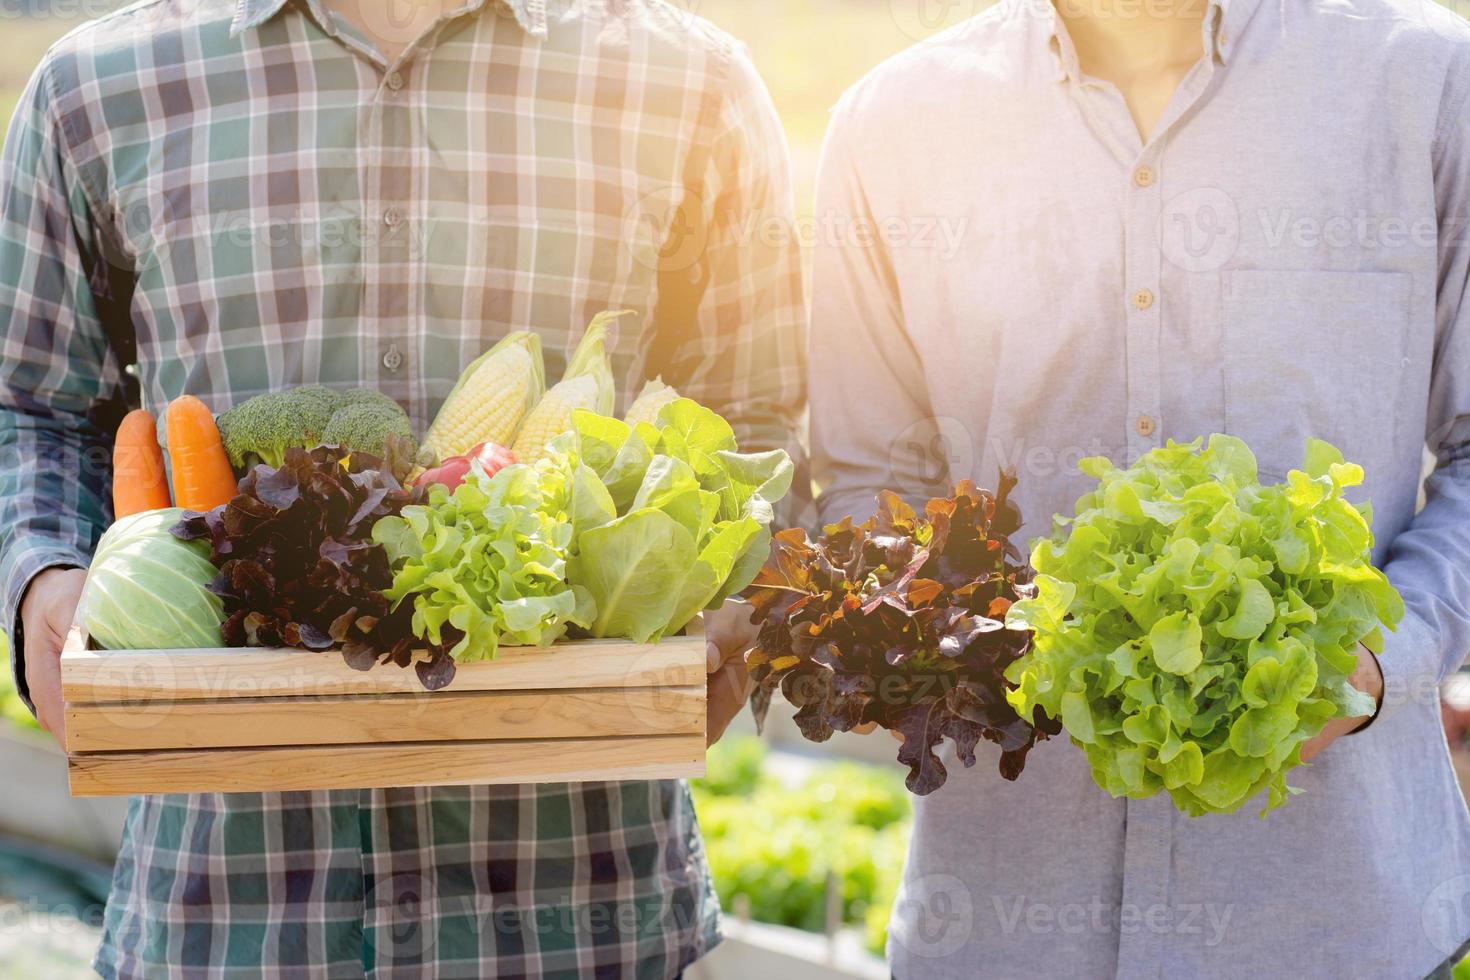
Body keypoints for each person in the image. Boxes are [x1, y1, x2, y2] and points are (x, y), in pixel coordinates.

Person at [0, 0, 804, 975]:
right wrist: (43, 569)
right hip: (229, 914)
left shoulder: (691, 90)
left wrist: (744, 596)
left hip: (585, 909)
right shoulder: (98, 89)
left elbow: (758, 416)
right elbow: (33, 405)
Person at [808, 0, 1470, 975]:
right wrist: (920, 645)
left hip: (1337, 925)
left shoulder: (1428, 86)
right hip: (1005, 926)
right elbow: (867, 480)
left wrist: (1385, 658)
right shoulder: (889, 127)